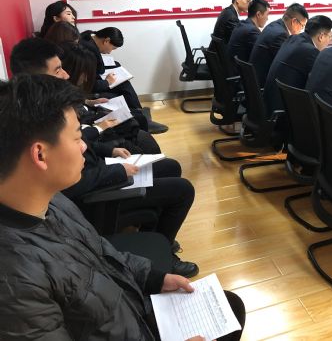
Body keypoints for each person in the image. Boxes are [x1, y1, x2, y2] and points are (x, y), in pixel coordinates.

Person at [0, 74, 245, 340]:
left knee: (230, 307)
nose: (84, 146)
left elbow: (102, 253)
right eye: (77, 137)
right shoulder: (15, 281)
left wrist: (153, 278)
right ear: (40, 154)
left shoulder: (52, 200)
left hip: (126, 310)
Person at [9, 38, 196, 277]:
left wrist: (110, 151)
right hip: (96, 194)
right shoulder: (40, 122)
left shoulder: (46, 108)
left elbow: (82, 143)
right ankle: (163, 249)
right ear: (34, 77)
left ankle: (157, 235)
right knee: (183, 189)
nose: (66, 75)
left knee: (169, 166)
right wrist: (118, 171)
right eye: (57, 70)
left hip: (99, 171)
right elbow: (72, 184)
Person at [80, 27, 169, 134]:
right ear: (106, 40)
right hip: (92, 85)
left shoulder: (88, 37)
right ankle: (142, 117)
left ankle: (140, 114)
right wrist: (107, 82)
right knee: (124, 84)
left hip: (95, 78)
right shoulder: (90, 50)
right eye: (112, 48)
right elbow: (90, 83)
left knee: (118, 71)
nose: (110, 52)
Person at [263, 15, 332, 115]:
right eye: (330, 37)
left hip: (269, 105)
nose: (329, 40)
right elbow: (321, 84)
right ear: (321, 36)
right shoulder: (310, 52)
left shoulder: (293, 39)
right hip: (284, 112)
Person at [249, 3, 309, 87]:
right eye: (302, 26)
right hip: (263, 86)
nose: (301, 30)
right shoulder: (281, 35)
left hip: (255, 80)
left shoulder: (274, 25)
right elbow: (287, 64)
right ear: (294, 21)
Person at [227, 0, 271, 66]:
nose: (267, 18)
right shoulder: (251, 31)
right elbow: (265, 52)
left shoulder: (242, 24)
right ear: (258, 14)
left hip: (232, 68)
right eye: (267, 14)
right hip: (238, 70)